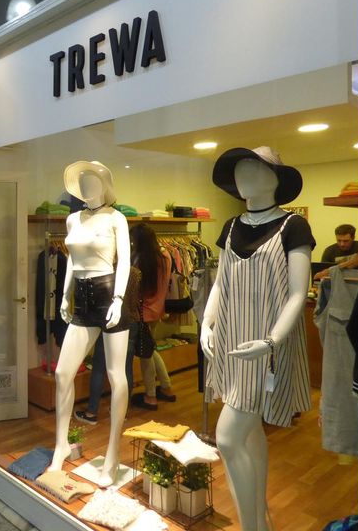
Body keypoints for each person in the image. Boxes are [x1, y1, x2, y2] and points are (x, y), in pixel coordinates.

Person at [201, 146, 314, 530]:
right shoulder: (231, 226)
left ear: (276, 179)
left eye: (255, 168)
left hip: (265, 347)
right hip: (230, 339)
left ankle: (253, 527)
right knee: (248, 435)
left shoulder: (293, 227)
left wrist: (271, 341)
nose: (243, 175)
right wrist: (206, 323)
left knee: (228, 438)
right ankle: (260, 521)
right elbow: (220, 282)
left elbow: (298, 294)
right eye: (239, 169)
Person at [48, 160, 131, 487]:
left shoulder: (116, 218)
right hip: (81, 298)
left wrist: (119, 299)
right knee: (62, 373)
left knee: (116, 376)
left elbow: (124, 261)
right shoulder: (73, 219)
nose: (85, 186)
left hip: (108, 294)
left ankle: (113, 454)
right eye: (80, 182)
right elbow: (72, 261)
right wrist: (65, 295)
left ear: (103, 184)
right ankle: (61, 445)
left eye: (90, 180)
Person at [74, 266, 141, 425]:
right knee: (126, 369)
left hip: (109, 320)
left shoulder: (106, 272)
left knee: (99, 367)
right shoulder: (135, 273)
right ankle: (122, 411)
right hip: (131, 320)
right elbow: (136, 300)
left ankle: (91, 412)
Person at [129, 223, 177, 411]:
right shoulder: (165, 256)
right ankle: (166, 387)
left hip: (143, 312)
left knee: (145, 355)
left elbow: (138, 289)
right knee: (151, 349)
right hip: (158, 309)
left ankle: (150, 396)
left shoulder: (142, 259)